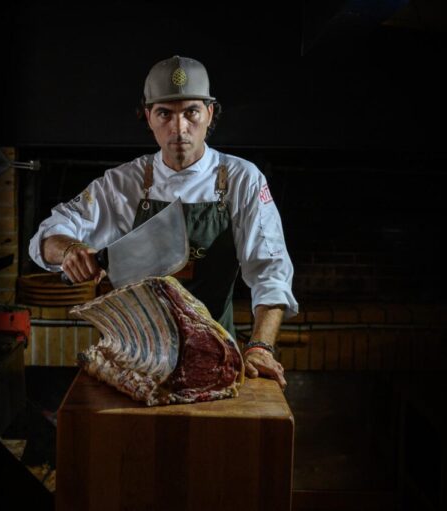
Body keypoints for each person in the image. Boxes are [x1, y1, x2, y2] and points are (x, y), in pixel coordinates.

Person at [29, 55, 298, 389]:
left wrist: (260, 346)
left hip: (215, 358)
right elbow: (46, 236)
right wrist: (70, 249)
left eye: (191, 112)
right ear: (148, 117)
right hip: (136, 361)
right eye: (165, 114)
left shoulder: (242, 179)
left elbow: (270, 271)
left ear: (209, 113)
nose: (179, 128)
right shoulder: (123, 183)